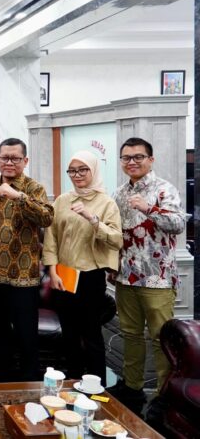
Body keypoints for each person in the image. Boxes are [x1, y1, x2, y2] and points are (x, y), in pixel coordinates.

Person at [109, 137, 186, 408]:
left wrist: (149, 208)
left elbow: (178, 224)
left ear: (150, 160)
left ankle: (165, 396)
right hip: (125, 275)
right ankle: (132, 387)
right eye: (127, 158)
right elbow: (114, 232)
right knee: (130, 334)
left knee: (160, 338)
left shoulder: (164, 189)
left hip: (157, 277)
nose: (132, 162)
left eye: (138, 157)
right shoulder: (118, 193)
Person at [43, 150, 122, 384]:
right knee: (69, 333)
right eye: (72, 171)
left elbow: (116, 239)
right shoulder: (62, 200)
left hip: (91, 276)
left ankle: (97, 385)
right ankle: (73, 380)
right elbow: (51, 238)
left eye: (83, 169)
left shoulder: (106, 203)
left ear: (94, 170)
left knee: (91, 334)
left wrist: (92, 218)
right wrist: (52, 271)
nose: (77, 175)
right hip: (65, 274)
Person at [0, 137, 53, 381]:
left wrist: (18, 196)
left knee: (25, 331)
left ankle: (30, 378)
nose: (9, 162)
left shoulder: (33, 188)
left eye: (15, 158)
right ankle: (0, 375)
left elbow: (46, 218)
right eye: (4, 158)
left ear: (25, 160)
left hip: (22, 275)